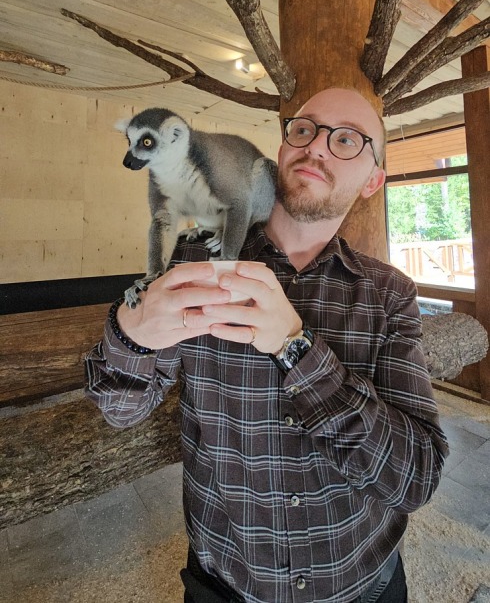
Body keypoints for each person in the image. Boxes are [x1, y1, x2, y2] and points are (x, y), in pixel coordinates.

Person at [86, 87, 449, 603]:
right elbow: (119, 409)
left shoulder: (389, 292)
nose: (317, 146)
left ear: (374, 180)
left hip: (363, 584)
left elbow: (415, 478)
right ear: (281, 151)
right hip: (226, 583)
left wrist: (295, 347)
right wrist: (131, 337)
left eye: (346, 139)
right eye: (305, 130)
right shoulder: (195, 263)